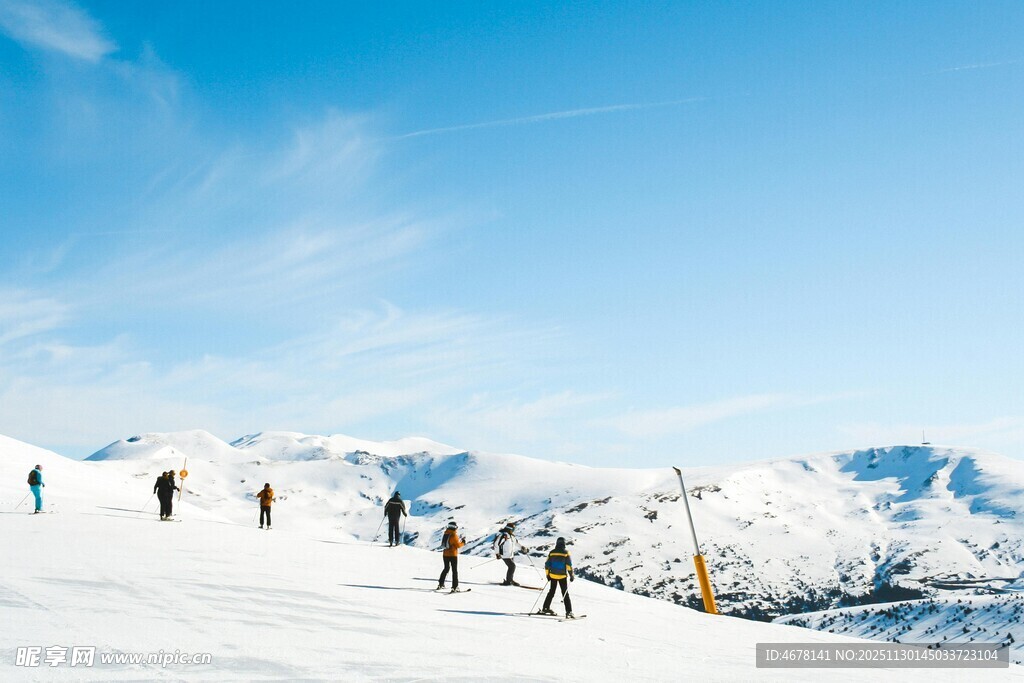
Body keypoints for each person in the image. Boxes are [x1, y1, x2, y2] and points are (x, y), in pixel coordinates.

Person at [540, 537, 575, 618]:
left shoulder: (552, 553)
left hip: (553, 575)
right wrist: (571, 575)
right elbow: (569, 565)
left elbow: (547, 565)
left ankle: (545, 608)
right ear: (564, 544)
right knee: (565, 594)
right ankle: (569, 612)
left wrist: (547, 575)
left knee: (551, 592)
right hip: (562, 576)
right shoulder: (566, 553)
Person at [437, 521, 465, 592]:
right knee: (454, 571)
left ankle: (441, 584)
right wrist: (463, 542)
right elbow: (458, 545)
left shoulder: (446, 533)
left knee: (446, 568)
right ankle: (454, 587)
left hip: (445, 554)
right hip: (453, 555)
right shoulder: (453, 535)